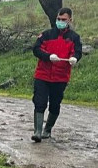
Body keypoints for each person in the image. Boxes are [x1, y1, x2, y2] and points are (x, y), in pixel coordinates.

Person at [30, 7, 82, 142]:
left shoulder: (74, 37)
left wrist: (74, 58)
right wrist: (48, 56)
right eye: (58, 19)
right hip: (43, 75)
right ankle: (37, 131)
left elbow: (77, 52)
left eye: (63, 20)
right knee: (39, 102)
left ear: (70, 20)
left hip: (60, 77)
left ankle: (47, 129)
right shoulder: (46, 34)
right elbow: (36, 49)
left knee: (55, 104)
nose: (60, 21)